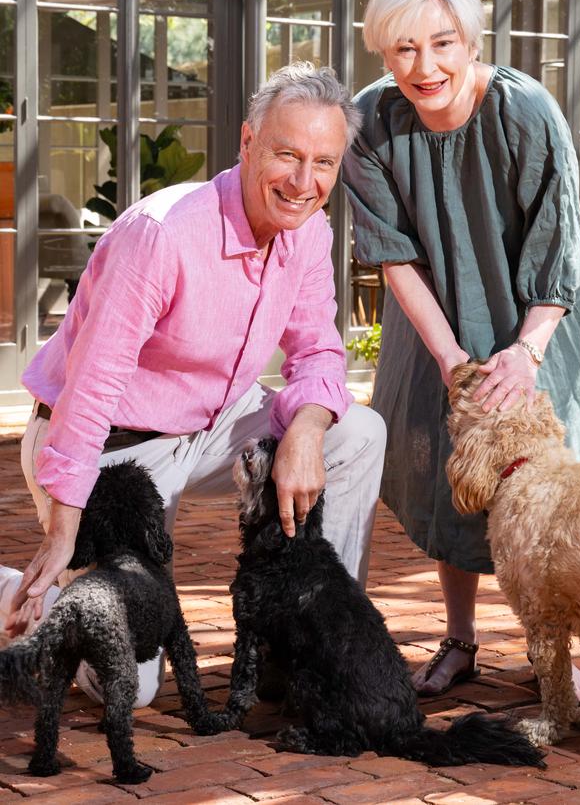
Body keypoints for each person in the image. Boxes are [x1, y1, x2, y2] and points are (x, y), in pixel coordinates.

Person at [0, 62, 386, 705]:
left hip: (212, 425)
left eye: (323, 162)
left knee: (358, 433)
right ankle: (40, 594)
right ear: (246, 142)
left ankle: (319, 650)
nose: (303, 181)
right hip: (108, 448)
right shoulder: (163, 235)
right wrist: (64, 527)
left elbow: (318, 348)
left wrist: (307, 429)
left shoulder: (309, 230)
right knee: (129, 685)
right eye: (287, 154)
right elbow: (91, 386)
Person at [342, 0, 580, 697]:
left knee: (550, 478)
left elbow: (559, 244)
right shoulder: (367, 125)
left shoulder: (526, 113)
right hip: (434, 319)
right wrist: (451, 357)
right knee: (441, 470)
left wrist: (526, 351)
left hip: (534, 313)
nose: (424, 67)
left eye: (442, 44)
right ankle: (459, 641)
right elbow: (394, 258)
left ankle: (561, 648)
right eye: (403, 49)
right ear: (382, 50)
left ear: (470, 40)